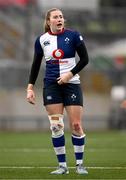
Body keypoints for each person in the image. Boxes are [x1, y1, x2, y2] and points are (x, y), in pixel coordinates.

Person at [27, 8, 89, 175]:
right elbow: (35, 64)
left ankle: (80, 165)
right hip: (52, 85)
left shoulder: (74, 35)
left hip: (72, 84)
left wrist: (70, 74)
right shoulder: (41, 40)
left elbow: (85, 59)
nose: (59, 19)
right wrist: (30, 87)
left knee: (76, 125)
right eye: (55, 17)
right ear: (49, 21)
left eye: (61, 16)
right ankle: (62, 167)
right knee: (56, 126)